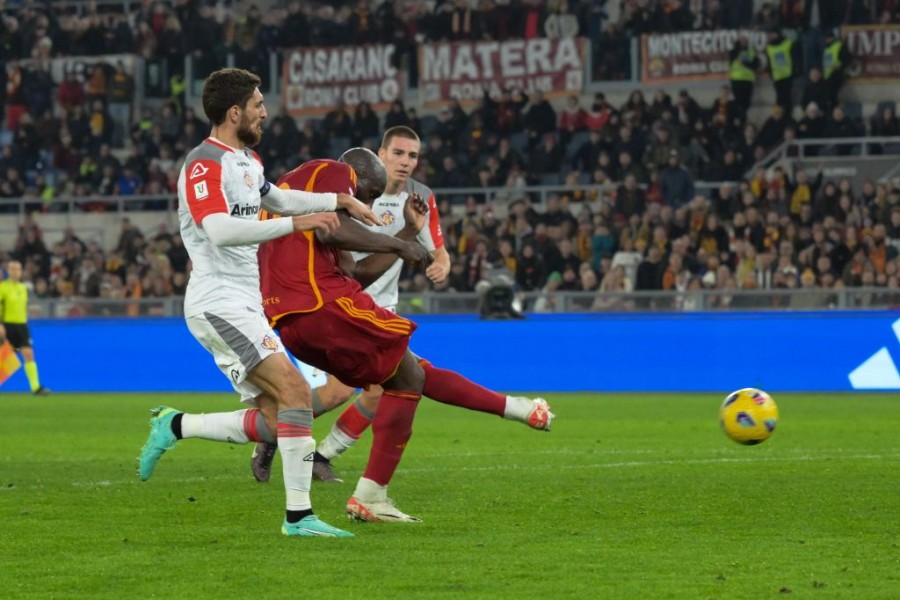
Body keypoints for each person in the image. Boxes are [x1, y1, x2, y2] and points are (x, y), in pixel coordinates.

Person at [136, 67, 381, 539]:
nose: (264, 112)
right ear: (235, 112)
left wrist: (338, 202)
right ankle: (299, 519)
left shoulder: (247, 160)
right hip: (218, 299)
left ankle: (175, 425)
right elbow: (221, 230)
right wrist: (300, 225)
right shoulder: (205, 164)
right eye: (258, 105)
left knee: (278, 418)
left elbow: (279, 198)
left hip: (245, 300)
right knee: (294, 394)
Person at [256, 148, 553, 522]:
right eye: (368, 194)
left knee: (407, 373)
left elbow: (355, 276)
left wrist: (408, 231)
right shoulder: (332, 171)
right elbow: (338, 226)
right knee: (407, 376)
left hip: (296, 319)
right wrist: (399, 244)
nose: (365, 204)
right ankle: (370, 493)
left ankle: (518, 409)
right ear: (357, 174)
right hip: (320, 304)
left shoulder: (302, 201)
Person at [0, 260, 50, 395]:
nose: (15, 272)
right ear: (8, 271)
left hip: (22, 326)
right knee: (5, 359)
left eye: (17, 269)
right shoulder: (2, 287)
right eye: (12, 269)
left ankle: (35, 387)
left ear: (21, 271)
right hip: (7, 326)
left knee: (28, 353)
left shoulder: (23, 288)